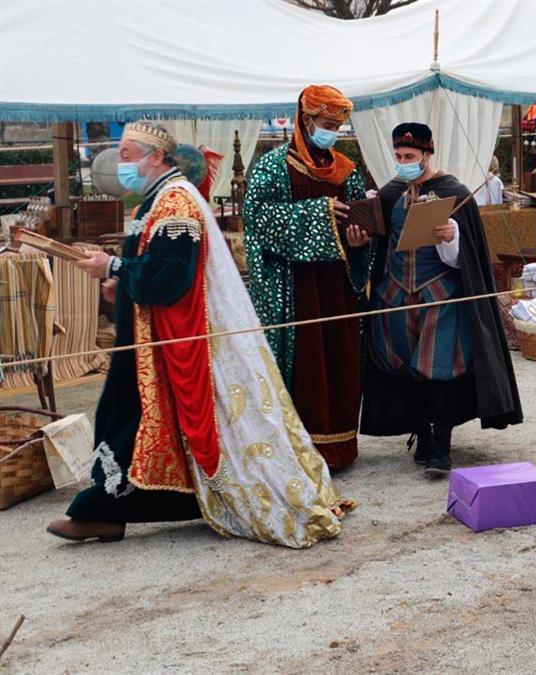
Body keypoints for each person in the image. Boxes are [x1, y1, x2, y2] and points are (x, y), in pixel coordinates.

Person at [48, 122, 351, 547]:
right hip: (150, 338)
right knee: (130, 419)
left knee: (122, 417)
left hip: (170, 340)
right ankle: (113, 510)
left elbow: (172, 277)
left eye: (128, 153)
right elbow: (156, 267)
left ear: (156, 157)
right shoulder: (154, 201)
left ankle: (102, 511)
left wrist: (113, 268)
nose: (121, 163)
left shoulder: (174, 204)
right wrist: (124, 281)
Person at [361, 123, 522, 477]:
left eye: (410, 156)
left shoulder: (453, 191)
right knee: (407, 368)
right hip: (396, 297)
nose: (403, 162)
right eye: (399, 156)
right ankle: (423, 434)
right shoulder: (389, 194)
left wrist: (452, 234)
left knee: (440, 370)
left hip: (441, 296)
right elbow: (377, 247)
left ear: (427, 154)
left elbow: (466, 258)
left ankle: (442, 448)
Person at [243, 84, 373, 470]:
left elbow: (358, 223)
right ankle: (297, 450)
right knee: (304, 365)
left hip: (337, 285)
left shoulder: (346, 170)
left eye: (337, 124)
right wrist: (318, 215)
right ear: (305, 118)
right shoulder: (272, 167)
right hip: (294, 288)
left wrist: (359, 239)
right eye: (325, 122)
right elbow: (258, 220)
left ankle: (340, 448)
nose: (331, 130)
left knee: (340, 359)